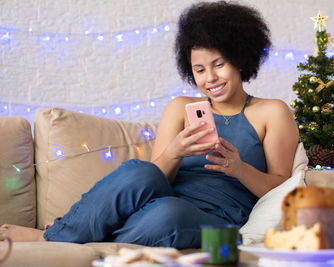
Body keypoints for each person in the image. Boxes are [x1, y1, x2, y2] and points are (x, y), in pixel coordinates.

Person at [0, 1, 298, 249]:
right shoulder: (180, 108)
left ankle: (56, 237)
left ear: (241, 61)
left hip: (220, 219)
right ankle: (62, 235)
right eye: (199, 69)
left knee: (168, 214)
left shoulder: (272, 112)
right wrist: (175, 151)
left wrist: (239, 169)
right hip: (162, 204)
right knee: (139, 170)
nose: (210, 79)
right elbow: (154, 179)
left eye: (219, 65)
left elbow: (283, 187)